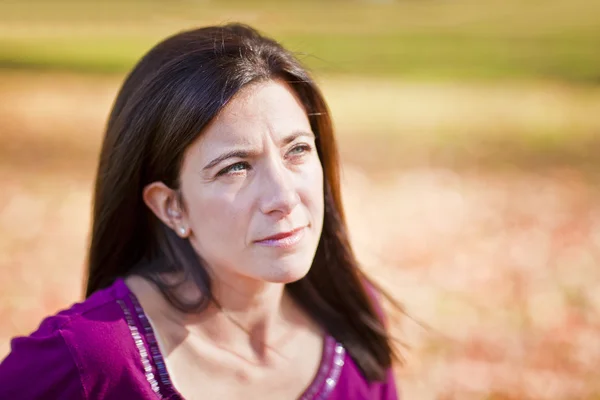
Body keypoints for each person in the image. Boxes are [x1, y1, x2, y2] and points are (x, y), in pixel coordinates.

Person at [0, 23, 401, 399]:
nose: (284, 196)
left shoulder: (349, 313)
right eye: (236, 167)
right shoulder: (91, 358)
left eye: (297, 149)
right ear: (171, 206)